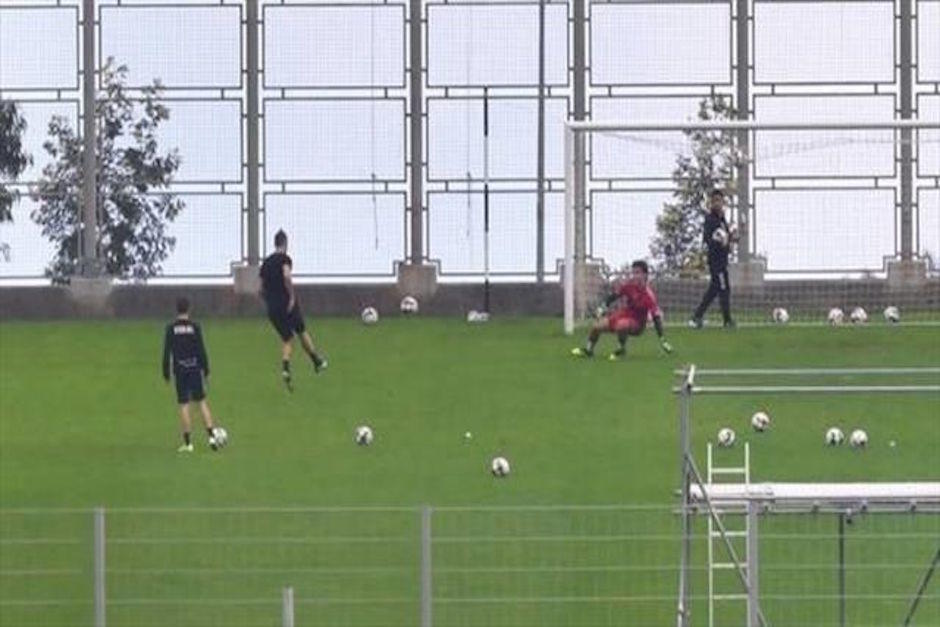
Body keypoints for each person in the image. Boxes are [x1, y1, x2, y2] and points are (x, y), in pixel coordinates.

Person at [259, 229, 327, 391]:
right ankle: (316, 361)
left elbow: (260, 287)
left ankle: (285, 368)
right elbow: (287, 276)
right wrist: (291, 296)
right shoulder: (285, 259)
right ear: (285, 243)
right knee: (301, 330)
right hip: (287, 304)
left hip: (272, 307)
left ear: (274, 243)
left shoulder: (266, 263)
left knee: (288, 338)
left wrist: (268, 301)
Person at [571, 260, 673, 360]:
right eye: (633, 273)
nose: (634, 276)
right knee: (597, 326)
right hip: (624, 314)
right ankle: (589, 350)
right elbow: (614, 296)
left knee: (621, 325)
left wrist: (662, 340)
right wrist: (602, 308)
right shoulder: (629, 286)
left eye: (637, 273)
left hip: (637, 323)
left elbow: (656, 318)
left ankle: (621, 350)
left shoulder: (649, 295)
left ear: (645, 275)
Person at [162, 297, 216, 453]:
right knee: (201, 402)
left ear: (176, 310)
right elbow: (201, 349)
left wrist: (166, 372)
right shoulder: (195, 327)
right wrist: (206, 370)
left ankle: (188, 443)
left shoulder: (171, 329)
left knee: (184, 404)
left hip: (180, 370)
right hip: (194, 368)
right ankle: (211, 437)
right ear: (189, 309)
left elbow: (167, 352)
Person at [690, 189, 737, 329]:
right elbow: (707, 239)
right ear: (711, 203)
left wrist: (733, 238)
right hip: (716, 261)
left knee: (715, 289)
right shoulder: (710, 219)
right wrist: (718, 240)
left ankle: (696, 317)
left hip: (723, 260)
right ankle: (727, 320)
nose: (717, 203)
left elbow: (727, 239)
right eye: (714, 200)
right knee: (724, 288)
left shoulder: (722, 219)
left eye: (720, 201)